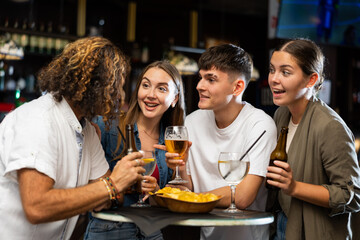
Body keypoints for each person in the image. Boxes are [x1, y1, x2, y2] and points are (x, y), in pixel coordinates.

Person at [0, 36, 146, 239]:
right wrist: (112, 184)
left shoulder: (87, 130)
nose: (119, 96)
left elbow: (108, 198)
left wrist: (118, 185)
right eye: (115, 87)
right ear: (94, 84)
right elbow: (37, 207)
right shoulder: (38, 120)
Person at [159, 44, 277, 240]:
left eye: (211, 79)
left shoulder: (260, 125)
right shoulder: (192, 122)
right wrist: (179, 168)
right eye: (201, 77)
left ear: (237, 87)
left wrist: (194, 199)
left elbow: (242, 196)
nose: (199, 86)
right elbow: (189, 188)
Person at [266, 38, 360, 239]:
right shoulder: (281, 115)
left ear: (311, 80)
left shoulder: (330, 126)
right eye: (272, 70)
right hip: (282, 222)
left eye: (285, 72)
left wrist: (294, 187)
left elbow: (350, 196)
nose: (274, 79)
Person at [84, 60, 186, 240]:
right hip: (110, 231)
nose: (151, 95)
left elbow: (180, 196)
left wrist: (157, 191)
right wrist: (124, 186)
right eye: (146, 85)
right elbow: (87, 187)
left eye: (162, 89)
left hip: (151, 232)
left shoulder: (171, 139)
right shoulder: (107, 126)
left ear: (175, 99)